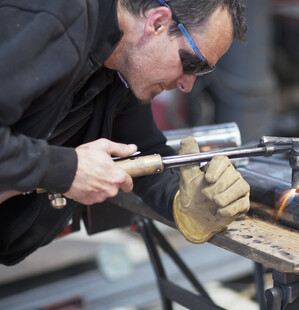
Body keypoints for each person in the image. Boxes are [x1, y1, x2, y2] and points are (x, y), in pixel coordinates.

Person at [0, 0, 250, 265]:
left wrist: (188, 200)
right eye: (193, 64)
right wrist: (65, 169)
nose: (187, 84)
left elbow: (144, 150)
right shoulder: (54, 17)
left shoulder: (116, 64)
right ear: (158, 23)